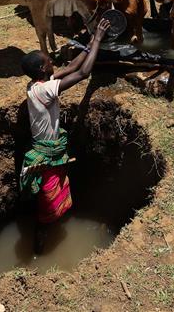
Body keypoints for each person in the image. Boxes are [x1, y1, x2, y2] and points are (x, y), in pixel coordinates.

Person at [19, 18, 111, 254]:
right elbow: (83, 72)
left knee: (53, 200)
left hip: (52, 154)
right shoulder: (45, 90)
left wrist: (90, 44)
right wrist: (99, 39)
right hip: (46, 158)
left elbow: (71, 68)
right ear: (42, 69)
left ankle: (49, 232)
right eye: (49, 61)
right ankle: (39, 249)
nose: (53, 62)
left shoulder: (37, 85)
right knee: (45, 208)